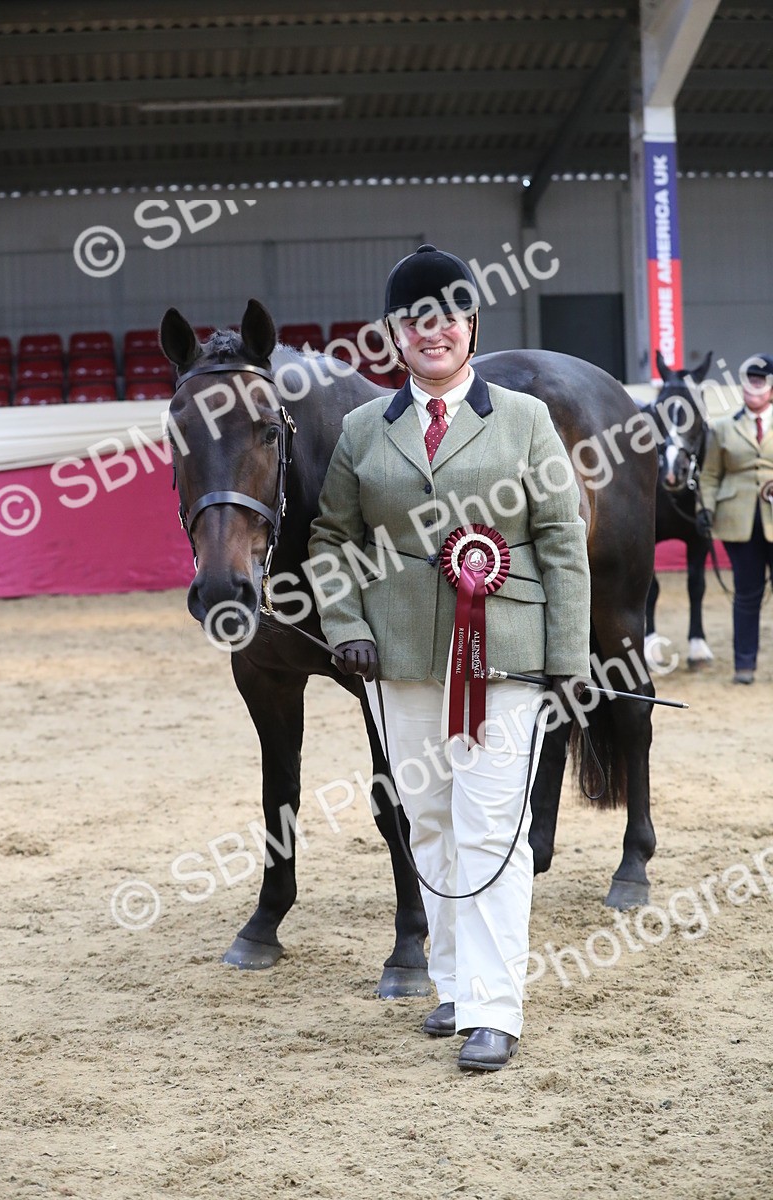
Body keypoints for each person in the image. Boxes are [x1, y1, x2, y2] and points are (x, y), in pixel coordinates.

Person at [308, 244, 590, 1072]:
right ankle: (456, 983)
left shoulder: (525, 419)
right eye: (414, 320)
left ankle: (496, 1008)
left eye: (448, 317)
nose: (432, 332)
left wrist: (568, 655)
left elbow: (560, 537)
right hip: (396, 658)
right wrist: (344, 619)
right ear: (395, 333)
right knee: (427, 821)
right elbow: (331, 537)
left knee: (491, 827)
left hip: (506, 654)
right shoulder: (364, 430)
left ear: (472, 325)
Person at [698, 354, 773, 684]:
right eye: (749, 381)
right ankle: (744, 665)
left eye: (760, 381)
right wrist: (705, 509)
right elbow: (710, 475)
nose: (753, 387)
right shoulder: (723, 427)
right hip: (738, 521)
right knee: (746, 593)